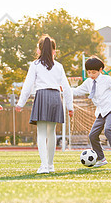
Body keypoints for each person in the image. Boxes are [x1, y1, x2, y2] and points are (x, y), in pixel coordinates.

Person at [15, 35, 74, 174]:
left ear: (39, 50)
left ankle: (44, 166)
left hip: (41, 96)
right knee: (51, 132)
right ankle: (50, 165)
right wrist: (70, 107)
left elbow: (28, 85)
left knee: (41, 133)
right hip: (55, 97)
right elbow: (66, 87)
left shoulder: (35, 65)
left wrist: (20, 103)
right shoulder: (59, 66)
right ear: (54, 50)